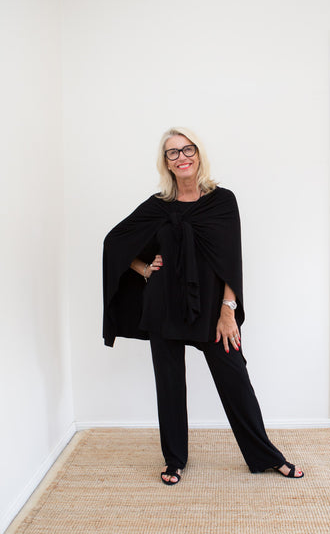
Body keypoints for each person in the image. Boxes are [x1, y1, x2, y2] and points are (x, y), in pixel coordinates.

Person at [102, 126, 304, 485]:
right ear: (166, 162)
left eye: (187, 149)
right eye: (173, 152)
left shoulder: (222, 202)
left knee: (236, 380)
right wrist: (145, 269)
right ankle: (175, 459)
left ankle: (266, 456)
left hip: (212, 310)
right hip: (164, 307)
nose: (182, 157)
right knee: (169, 386)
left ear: (198, 154)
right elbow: (114, 242)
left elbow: (232, 259)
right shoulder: (157, 206)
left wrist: (228, 310)